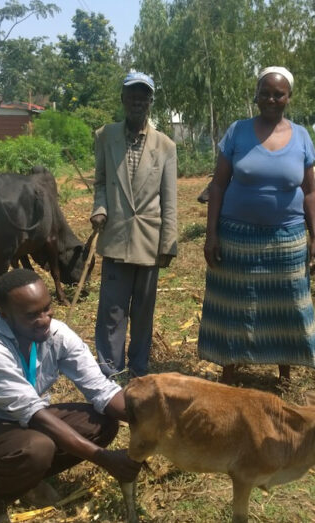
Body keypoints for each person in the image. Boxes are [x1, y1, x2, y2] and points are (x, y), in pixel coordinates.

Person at [0, 269, 141, 520]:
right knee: (37, 447)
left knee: (102, 422)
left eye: (47, 308)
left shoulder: (56, 334)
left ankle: (26, 479)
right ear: (3, 314)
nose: (45, 319)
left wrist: (149, 422)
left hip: (19, 424)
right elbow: (35, 415)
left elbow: (100, 389)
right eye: (32, 315)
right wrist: (106, 460)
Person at [197, 66, 315, 385]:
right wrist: (211, 235)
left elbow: (310, 191)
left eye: (278, 94)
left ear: (288, 97)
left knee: (287, 304)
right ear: (256, 96)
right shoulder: (237, 132)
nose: (271, 98)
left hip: (287, 238)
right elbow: (218, 186)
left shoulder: (302, 137)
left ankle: (284, 373)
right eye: (265, 92)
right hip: (236, 236)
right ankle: (229, 369)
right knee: (234, 303)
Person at [90, 71, 178, 379]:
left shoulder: (166, 146)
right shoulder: (105, 136)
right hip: (115, 235)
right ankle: (109, 373)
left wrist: (168, 243)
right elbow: (100, 182)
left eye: (144, 96)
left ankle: (139, 371)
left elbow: (170, 199)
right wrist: (100, 208)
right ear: (123, 99)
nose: (137, 101)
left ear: (151, 102)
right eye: (132, 95)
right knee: (112, 311)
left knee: (143, 311)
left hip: (149, 240)